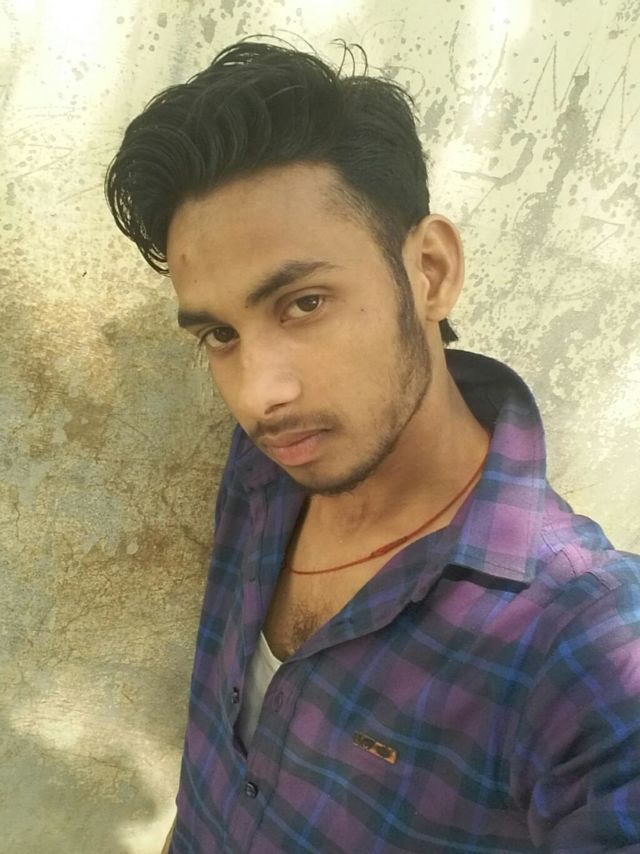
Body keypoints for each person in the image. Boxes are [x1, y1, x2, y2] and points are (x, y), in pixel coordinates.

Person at [105, 38, 640, 853]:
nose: (259, 395)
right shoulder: (264, 473)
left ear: (430, 272)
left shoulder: (584, 645)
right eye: (220, 335)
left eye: (304, 303)